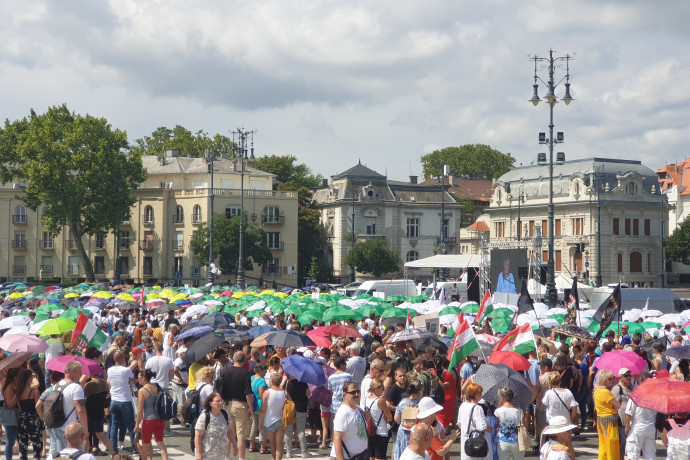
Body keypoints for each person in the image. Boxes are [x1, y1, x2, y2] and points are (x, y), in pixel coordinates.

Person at [215, 351, 254, 460]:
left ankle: (226, 457)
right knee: (241, 436)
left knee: (229, 433)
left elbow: (220, 390)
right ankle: (241, 458)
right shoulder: (245, 373)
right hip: (241, 405)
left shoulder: (225, 371)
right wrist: (250, 407)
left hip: (227, 405)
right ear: (244, 360)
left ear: (233, 359)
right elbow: (248, 393)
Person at [107, 351, 137, 454]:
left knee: (114, 425)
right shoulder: (126, 370)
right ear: (121, 359)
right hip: (125, 400)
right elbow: (133, 380)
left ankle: (114, 449)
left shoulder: (109, 370)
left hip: (114, 400)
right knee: (131, 425)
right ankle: (134, 447)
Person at [624, 373, 656, 460]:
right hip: (651, 427)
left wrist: (627, 426)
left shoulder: (636, 394)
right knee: (650, 455)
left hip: (637, 427)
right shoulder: (656, 396)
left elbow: (629, 413)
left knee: (633, 454)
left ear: (641, 381)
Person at [195, 392, 236, 460]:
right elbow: (198, 436)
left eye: (221, 401)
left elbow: (230, 431)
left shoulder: (225, 414)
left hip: (221, 455)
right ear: (210, 403)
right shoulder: (204, 416)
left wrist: (235, 444)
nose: (220, 403)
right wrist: (198, 453)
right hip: (206, 455)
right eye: (217, 401)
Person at [331, 382, 367, 460]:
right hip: (347, 456)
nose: (357, 394)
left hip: (360, 455)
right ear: (345, 395)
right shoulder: (343, 413)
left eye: (358, 391)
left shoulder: (358, 409)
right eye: (353, 392)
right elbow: (337, 439)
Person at [457, 383, 492, 460]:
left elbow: (459, 423)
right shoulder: (477, 408)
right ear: (476, 394)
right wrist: (490, 428)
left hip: (465, 439)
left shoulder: (463, 406)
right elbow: (481, 427)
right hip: (476, 442)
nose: (481, 395)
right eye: (480, 393)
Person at [593, 369, 621, 460]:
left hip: (601, 419)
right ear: (604, 379)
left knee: (603, 445)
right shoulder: (605, 392)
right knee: (612, 446)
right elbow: (618, 405)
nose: (612, 380)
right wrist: (614, 406)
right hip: (609, 420)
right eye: (610, 379)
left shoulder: (596, 390)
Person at [15, 369, 43, 460]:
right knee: (37, 445)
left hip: (22, 418)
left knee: (23, 445)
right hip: (33, 418)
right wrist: (42, 419)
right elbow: (37, 407)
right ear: (29, 377)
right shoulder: (34, 391)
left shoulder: (18, 391)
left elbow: (19, 407)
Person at [393, 379, 424, 460]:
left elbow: (396, 419)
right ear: (420, 391)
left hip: (403, 431)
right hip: (417, 433)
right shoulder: (422, 403)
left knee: (400, 452)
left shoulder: (402, 402)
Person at [364, 378, 392, 460]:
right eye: (382, 388)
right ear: (376, 388)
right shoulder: (380, 401)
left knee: (371, 456)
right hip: (381, 432)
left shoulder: (367, 398)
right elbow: (390, 418)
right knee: (379, 457)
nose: (383, 390)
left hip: (370, 431)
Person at [259, 373, 286, 460]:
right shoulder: (285, 392)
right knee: (279, 444)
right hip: (281, 420)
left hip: (269, 421)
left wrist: (260, 423)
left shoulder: (267, 393)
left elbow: (263, 410)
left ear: (272, 381)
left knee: (272, 444)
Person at [285, 370, 309, 459]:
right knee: (301, 431)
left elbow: (286, 395)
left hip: (290, 408)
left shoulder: (289, 383)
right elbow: (308, 394)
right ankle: (304, 452)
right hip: (301, 407)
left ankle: (288, 452)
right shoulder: (304, 383)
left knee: (288, 431)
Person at [494, 387, 523, 460]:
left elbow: (498, 422)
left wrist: (500, 406)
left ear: (502, 397)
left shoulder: (498, 411)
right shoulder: (519, 411)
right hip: (516, 440)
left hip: (503, 440)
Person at [611, 367, 633, 459]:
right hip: (622, 420)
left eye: (629, 375)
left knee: (627, 446)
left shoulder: (630, 387)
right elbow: (613, 404)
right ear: (620, 377)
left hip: (630, 420)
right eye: (626, 375)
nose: (628, 377)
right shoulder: (617, 388)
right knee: (622, 446)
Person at [249, 363, 268, 454]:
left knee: (254, 426)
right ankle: (263, 448)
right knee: (262, 427)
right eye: (264, 371)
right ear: (260, 370)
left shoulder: (251, 378)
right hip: (260, 405)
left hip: (252, 405)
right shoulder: (261, 381)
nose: (265, 373)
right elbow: (262, 394)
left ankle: (251, 446)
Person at [2, 368, 19, 460]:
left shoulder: (15, 387)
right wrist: (17, 394)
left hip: (16, 417)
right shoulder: (9, 388)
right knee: (11, 441)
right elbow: (10, 404)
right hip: (10, 418)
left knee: (18, 440)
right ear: (15, 377)